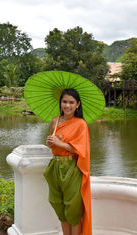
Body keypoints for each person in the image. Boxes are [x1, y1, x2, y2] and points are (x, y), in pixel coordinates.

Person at [44, 88, 92, 235]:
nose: (67, 106)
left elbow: (81, 149)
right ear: (61, 103)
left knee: (73, 209)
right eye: (65, 102)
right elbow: (53, 145)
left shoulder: (80, 124)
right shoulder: (55, 121)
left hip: (71, 168)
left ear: (77, 104)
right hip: (55, 167)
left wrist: (59, 144)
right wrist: (50, 143)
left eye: (71, 102)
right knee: (58, 205)